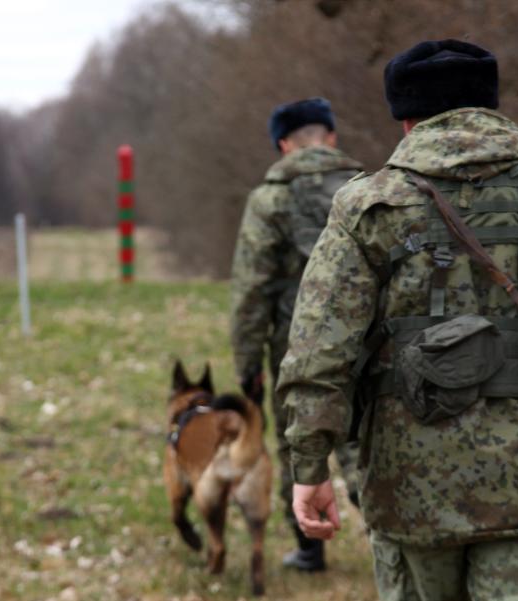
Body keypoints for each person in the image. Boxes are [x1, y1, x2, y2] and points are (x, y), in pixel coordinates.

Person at [277, 40, 518, 600]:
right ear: (491, 107)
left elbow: (317, 355)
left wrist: (310, 468)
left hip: (410, 492)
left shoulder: (368, 207)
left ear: (407, 121)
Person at [230, 97, 364, 572]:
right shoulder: (366, 188)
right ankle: (393, 541)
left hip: (295, 346)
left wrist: (248, 369)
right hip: (370, 340)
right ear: (330, 136)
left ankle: (310, 548)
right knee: (364, 438)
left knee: (296, 441)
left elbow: (251, 293)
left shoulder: (269, 198)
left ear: (283, 145)